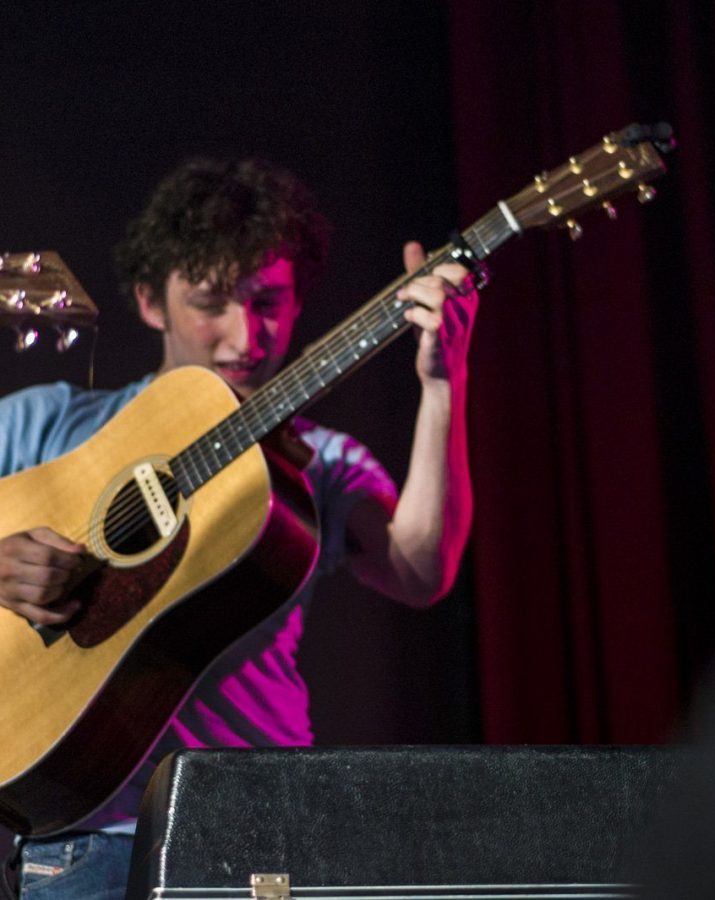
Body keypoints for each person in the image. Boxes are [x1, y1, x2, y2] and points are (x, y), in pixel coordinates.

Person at [0, 157, 478, 899]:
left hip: (261, 837)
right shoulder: (46, 424)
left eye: (267, 301)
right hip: (83, 840)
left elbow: (420, 570)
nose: (245, 335)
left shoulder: (315, 462)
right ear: (150, 301)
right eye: (211, 302)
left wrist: (443, 385)